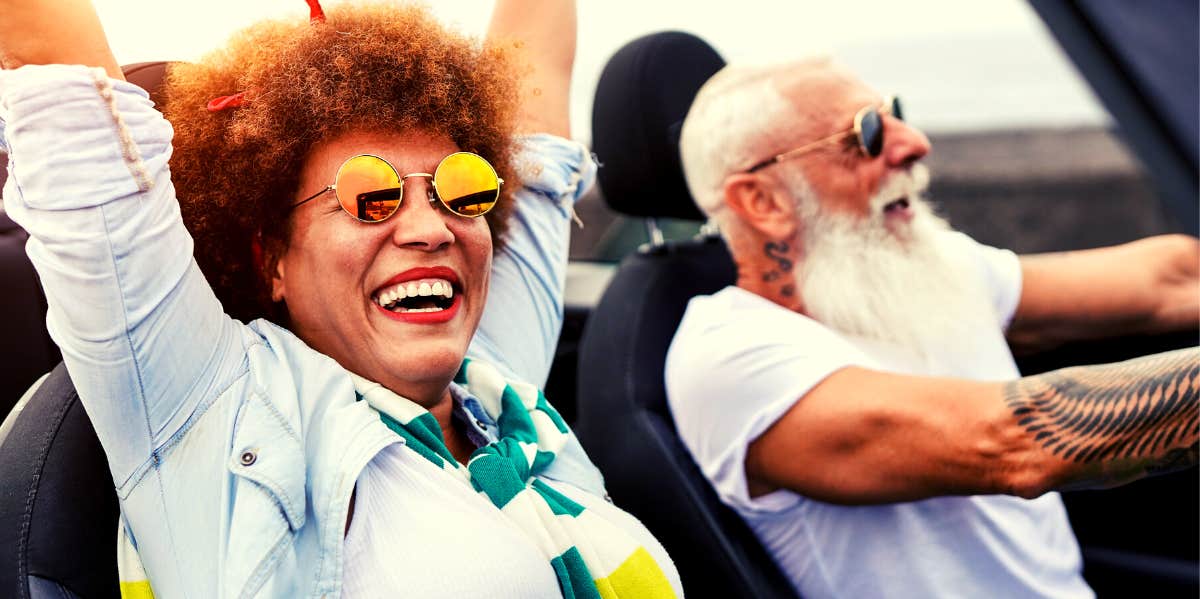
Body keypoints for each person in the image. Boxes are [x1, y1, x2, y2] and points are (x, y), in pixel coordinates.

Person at [0, 0, 682, 597]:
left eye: (462, 187)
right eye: (369, 197)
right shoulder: (209, 407)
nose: (430, 227)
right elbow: (50, 50)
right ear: (273, 260)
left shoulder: (496, 380)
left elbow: (536, 85)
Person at [665, 57, 1199, 598]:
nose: (914, 142)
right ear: (762, 202)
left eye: (894, 113)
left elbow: (1168, 282)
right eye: (864, 134)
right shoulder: (729, 356)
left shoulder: (920, 268)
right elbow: (1014, 441)